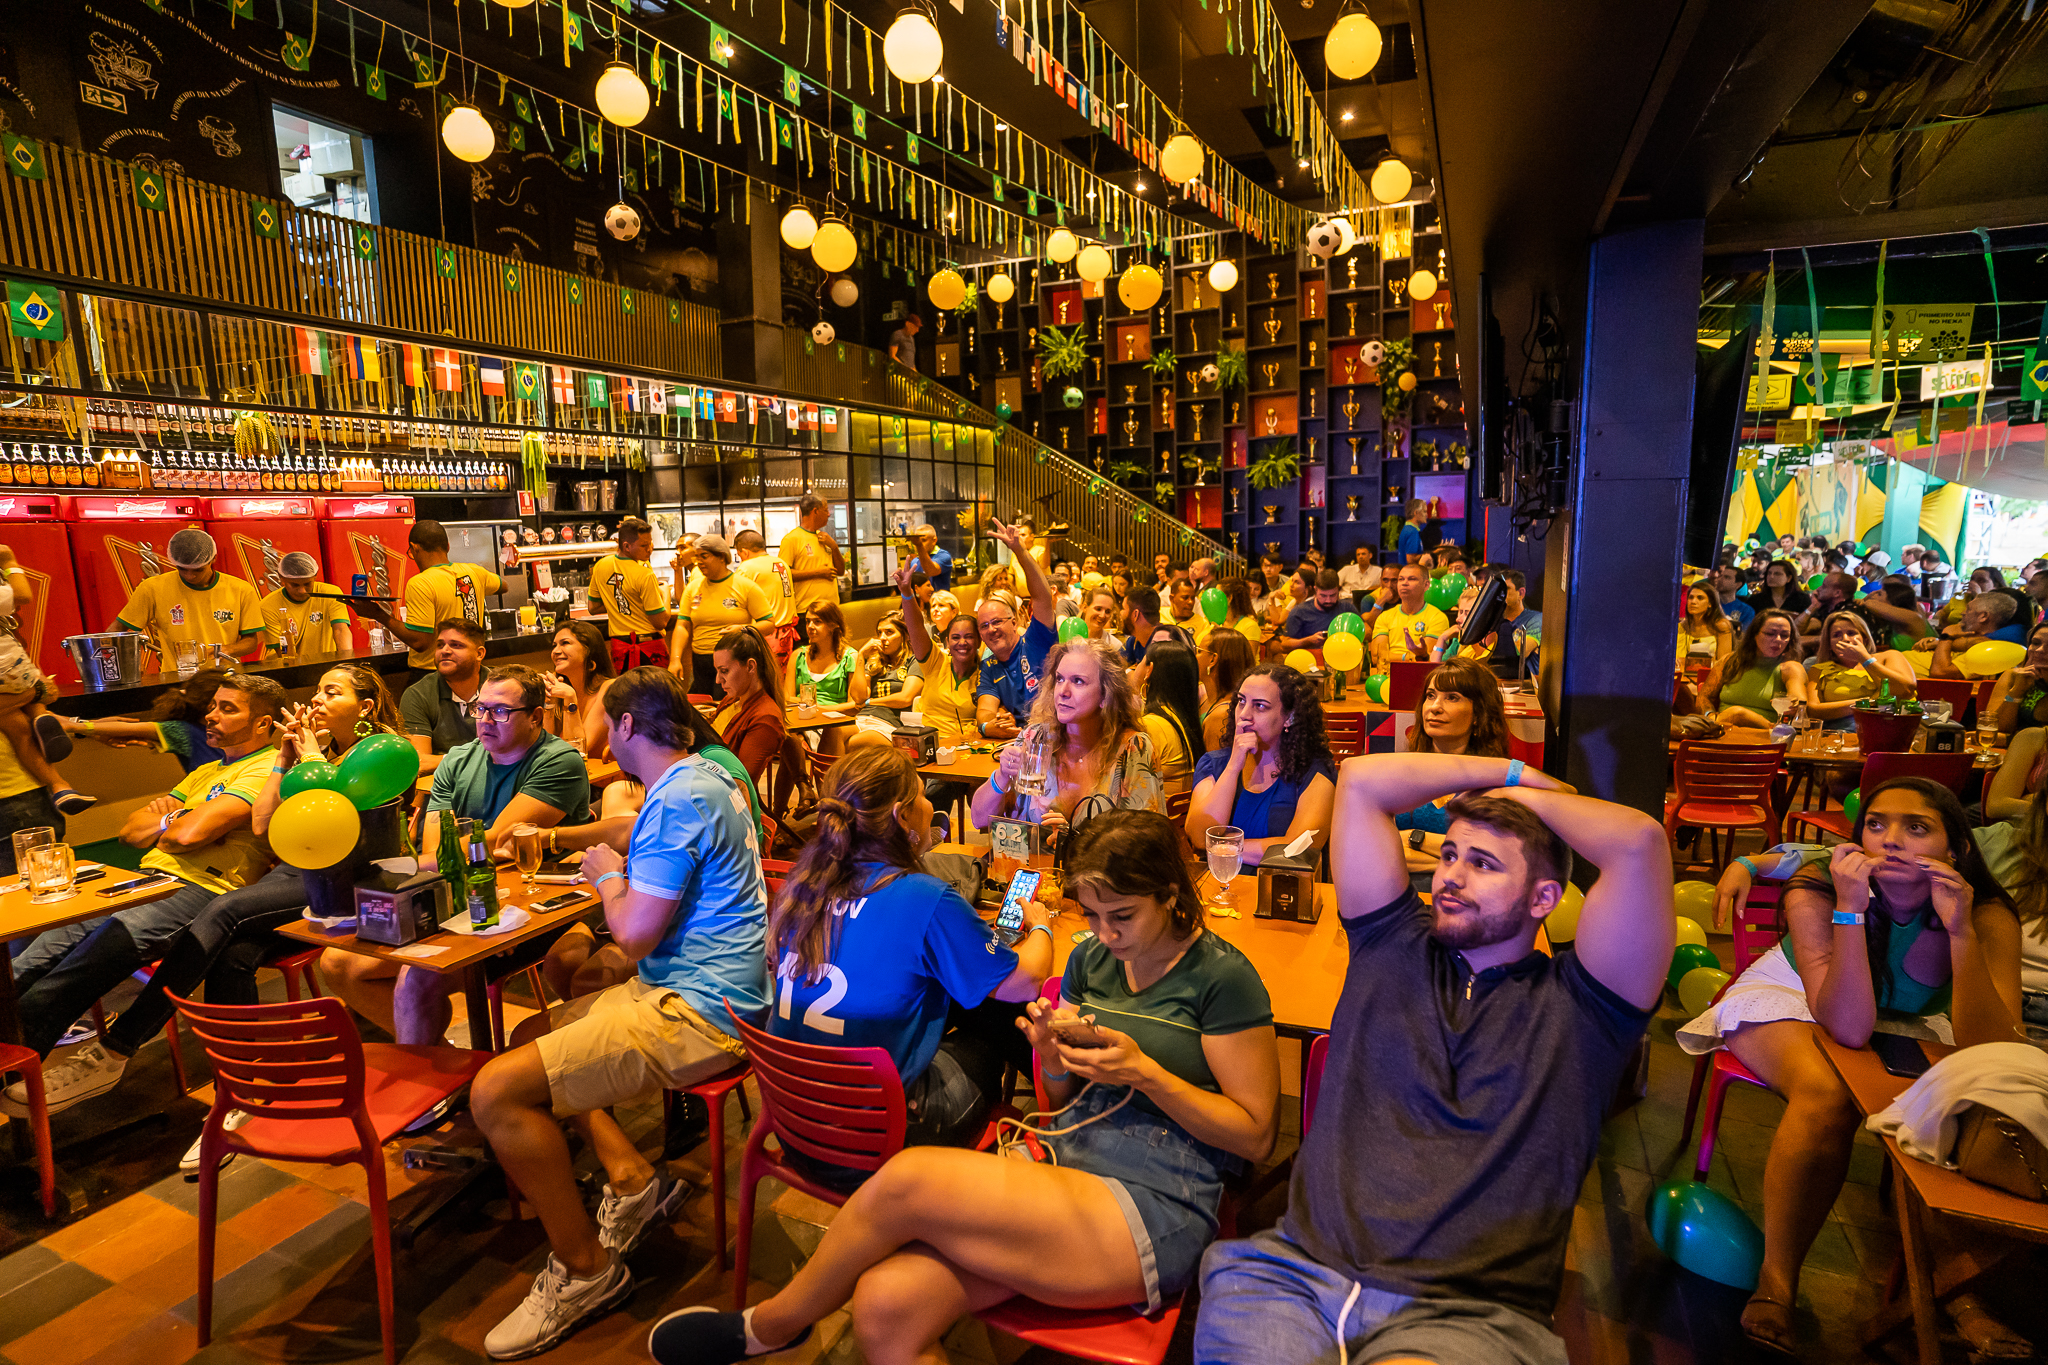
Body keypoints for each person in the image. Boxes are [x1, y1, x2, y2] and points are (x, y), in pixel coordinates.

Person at [646, 809, 1278, 1365]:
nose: (1107, 934)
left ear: (1171, 895)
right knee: (883, 1306)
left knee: (910, 1178)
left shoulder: (1222, 977)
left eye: (1123, 916)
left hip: (1158, 1197)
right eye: (1091, 916)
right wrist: (1051, 1057)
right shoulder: (1089, 958)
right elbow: (1060, 1105)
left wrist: (1146, 1073)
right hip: (1070, 1160)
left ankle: (774, 1324)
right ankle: (779, 1324)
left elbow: (1255, 1138)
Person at [1197, 750, 1669, 1365]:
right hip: (1293, 1276)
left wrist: (1522, 802)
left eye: (1483, 863)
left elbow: (1639, 842)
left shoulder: (1586, 1008)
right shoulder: (1390, 940)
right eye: (1449, 854)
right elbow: (1363, 781)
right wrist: (1508, 774)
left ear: (1543, 897)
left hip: (1467, 1314)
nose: (1451, 874)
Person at [474, 668, 769, 1359]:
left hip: (700, 1013)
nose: (593, 732)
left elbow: (633, 934)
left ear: (628, 725)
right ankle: (633, 1181)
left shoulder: (680, 797)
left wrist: (607, 871)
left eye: (601, 719)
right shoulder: (708, 776)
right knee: (530, 1032)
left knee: (494, 1090)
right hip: (706, 992)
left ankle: (586, 1272)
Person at [1677, 778, 2020, 1355]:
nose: (1890, 841)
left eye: (1917, 828)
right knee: (1826, 1095)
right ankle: (1777, 1281)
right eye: (1877, 824)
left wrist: (1960, 930)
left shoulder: (1985, 913)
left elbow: (1989, 1048)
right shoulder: (1817, 890)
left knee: (1962, 1106)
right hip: (1798, 996)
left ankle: (1953, 1295)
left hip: (1911, 1022)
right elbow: (1850, 1028)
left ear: (1956, 848)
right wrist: (1852, 914)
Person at [7, 668, 403, 1153]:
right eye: (317, 689)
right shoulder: (293, 752)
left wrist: (308, 762)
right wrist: (286, 759)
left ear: (364, 707)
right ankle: (241, 1096)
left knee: (222, 913)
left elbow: (361, 838)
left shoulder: (378, 750)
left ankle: (117, 1047)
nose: (316, 699)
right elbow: (260, 824)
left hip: (347, 877)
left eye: (331, 692)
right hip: (293, 873)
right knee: (231, 952)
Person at [767, 744, 1053, 1189]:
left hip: (796, 1127)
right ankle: (1037, 1151)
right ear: (902, 816)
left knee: (952, 996)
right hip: (878, 1144)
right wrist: (1041, 927)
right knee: (1000, 1016)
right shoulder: (925, 898)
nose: (928, 806)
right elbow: (1026, 980)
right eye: (922, 795)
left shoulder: (803, 888)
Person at [0, 674, 285, 1111]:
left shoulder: (266, 769)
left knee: (76, 970)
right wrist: (179, 822)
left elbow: (191, 835)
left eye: (229, 709)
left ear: (264, 724)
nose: (212, 715)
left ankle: (19, 1070)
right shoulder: (209, 770)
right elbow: (131, 831)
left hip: (201, 890)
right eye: (213, 706)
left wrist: (173, 820)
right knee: (26, 963)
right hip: (145, 881)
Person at [320, 665, 593, 1048]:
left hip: (535, 907)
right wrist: (437, 862)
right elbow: (441, 852)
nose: (484, 720)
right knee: (335, 963)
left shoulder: (558, 760)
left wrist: (400, 867)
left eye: (500, 711)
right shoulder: (458, 759)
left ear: (534, 717)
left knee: (416, 977)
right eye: (480, 709)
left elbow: (503, 839)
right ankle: (442, 1069)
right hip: (463, 898)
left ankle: (441, 1085)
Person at [968, 636, 1163, 839]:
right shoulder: (1037, 738)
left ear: (1106, 696)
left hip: (1098, 870)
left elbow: (1146, 842)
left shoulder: (1133, 749)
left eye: (1078, 681)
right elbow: (979, 819)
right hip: (1034, 869)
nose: (1063, 691)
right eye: (1060, 679)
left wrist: (1075, 839)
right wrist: (1001, 775)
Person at [1185, 663, 1336, 869]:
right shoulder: (1215, 763)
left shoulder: (1314, 770)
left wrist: (1223, 847)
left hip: (1281, 892)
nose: (1244, 715)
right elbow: (1200, 838)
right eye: (1241, 701)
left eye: (1260, 706)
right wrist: (1233, 766)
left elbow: (1298, 850)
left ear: (1289, 717)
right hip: (1221, 890)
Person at [353, 520, 503, 676]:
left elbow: (420, 642)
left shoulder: (421, 583)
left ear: (415, 548)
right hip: (470, 668)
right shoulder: (475, 572)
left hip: (435, 673)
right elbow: (503, 586)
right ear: (448, 546)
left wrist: (378, 614)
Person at [111, 527, 264, 662]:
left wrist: (227, 649)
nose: (190, 576)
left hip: (224, 678)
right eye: (182, 569)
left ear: (213, 559)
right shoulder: (152, 588)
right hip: (175, 679)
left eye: (198, 570)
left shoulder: (241, 589)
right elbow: (117, 629)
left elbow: (251, 641)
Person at [972, 521, 1060, 741]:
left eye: (997, 622)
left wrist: (1020, 551)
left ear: (1013, 622)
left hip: (1060, 736)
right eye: (984, 626)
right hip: (1023, 743)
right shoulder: (990, 666)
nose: (991, 629)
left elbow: (1042, 596)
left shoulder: (1035, 641)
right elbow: (984, 711)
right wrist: (990, 726)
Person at [57, 666, 230, 774]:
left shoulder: (235, 730)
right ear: (210, 707)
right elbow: (132, 728)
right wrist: (77, 726)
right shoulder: (186, 732)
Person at [675, 535, 774, 700]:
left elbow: (769, 623)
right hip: (700, 662)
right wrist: (675, 659)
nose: (698, 561)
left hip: (733, 662)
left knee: (725, 709)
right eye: (697, 557)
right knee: (699, 710)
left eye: (704, 556)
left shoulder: (745, 586)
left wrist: (743, 629)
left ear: (721, 557)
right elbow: (682, 626)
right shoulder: (693, 588)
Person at [894, 563, 979, 745]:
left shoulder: (986, 674)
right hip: (927, 742)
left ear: (979, 641)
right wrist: (907, 594)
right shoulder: (936, 662)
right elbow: (916, 627)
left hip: (967, 746)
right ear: (947, 642)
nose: (962, 643)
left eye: (969, 637)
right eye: (955, 637)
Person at [400, 621, 489, 774]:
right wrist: (472, 757)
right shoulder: (418, 695)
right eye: (440, 645)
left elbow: (522, 749)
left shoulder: (502, 687)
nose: (445, 651)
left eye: (456, 645)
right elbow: (419, 762)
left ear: (479, 654)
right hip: (444, 786)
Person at [589, 516, 674, 672]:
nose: (649, 549)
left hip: (619, 647)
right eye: (644, 545)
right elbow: (660, 622)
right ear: (626, 546)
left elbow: (593, 607)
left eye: (650, 544)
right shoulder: (644, 574)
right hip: (649, 648)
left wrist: (621, 604)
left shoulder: (600, 566)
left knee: (626, 694)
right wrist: (666, 592)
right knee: (655, 695)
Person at [710, 626, 788, 792]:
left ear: (751, 667)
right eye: (717, 671)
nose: (718, 680)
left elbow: (738, 785)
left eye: (724, 671)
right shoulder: (731, 700)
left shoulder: (765, 718)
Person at [1805, 611, 1918, 726]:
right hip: (1841, 729)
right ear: (1829, 644)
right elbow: (1813, 711)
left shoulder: (1889, 656)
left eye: (1851, 633)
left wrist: (1865, 659)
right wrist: (1867, 703)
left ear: (1865, 639)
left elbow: (1906, 689)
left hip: (1891, 724)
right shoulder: (1819, 669)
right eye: (1836, 635)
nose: (1845, 639)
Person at [1702, 610, 1809, 730]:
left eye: (1784, 636)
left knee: (1737, 713)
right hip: (1723, 730)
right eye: (1770, 634)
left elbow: (1799, 699)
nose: (1778, 639)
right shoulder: (1730, 661)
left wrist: (1795, 702)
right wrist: (1709, 715)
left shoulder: (1790, 668)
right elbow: (1704, 697)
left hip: (1766, 733)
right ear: (1755, 634)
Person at [787, 601, 866, 751]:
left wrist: (819, 708)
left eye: (817, 622)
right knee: (789, 738)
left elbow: (854, 705)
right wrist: (813, 710)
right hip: (802, 720)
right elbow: (787, 697)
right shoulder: (798, 655)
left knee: (821, 735)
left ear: (833, 625)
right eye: (808, 621)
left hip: (836, 721)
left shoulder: (850, 657)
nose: (810, 627)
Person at [1135, 641, 1203, 796]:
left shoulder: (1151, 725)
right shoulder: (1181, 717)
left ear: (1149, 670)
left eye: (1141, 662)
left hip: (1155, 817)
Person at [543, 620, 616, 759]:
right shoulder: (559, 686)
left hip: (603, 777)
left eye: (565, 643)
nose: (555, 651)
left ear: (590, 651)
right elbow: (544, 746)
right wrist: (549, 702)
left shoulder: (609, 689)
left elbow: (578, 751)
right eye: (554, 645)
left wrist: (570, 699)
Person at [257, 549, 353, 656]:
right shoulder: (267, 605)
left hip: (325, 664)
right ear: (281, 578)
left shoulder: (331, 593)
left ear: (315, 577)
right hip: (286, 666)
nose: (302, 590)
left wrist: (347, 661)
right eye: (295, 585)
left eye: (307, 584)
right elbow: (283, 651)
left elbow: (340, 630)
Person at [732, 528, 797, 669]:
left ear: (745, 552)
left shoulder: (747, 567)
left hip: (765, 634)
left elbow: (737, 602)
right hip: (786, 633)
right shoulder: (781, 563)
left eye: (739, 555)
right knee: (781, 679)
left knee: (766, 680)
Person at [779, 493, 845, 629]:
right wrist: (818, 573)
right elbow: (783, 576)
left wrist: (834, 547)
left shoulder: (824, 538)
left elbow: (840, 571)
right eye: (826, 510)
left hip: (831, 610)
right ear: (815, 511)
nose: (829, 514)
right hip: (807, 612)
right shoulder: (792, 539)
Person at [1928, 589, 2025, 678]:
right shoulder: (1967, 638)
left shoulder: (1988, 652)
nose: (1962, 612)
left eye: (1968, 609)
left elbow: (1939, 672)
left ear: (1983, 616)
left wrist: (1946, 636)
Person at [853, 611, 924, 733]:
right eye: (879, 633)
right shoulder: (875, 663)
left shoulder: (914, 660)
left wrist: (870, 702)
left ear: (905, 635)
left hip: (889, 724)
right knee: (833, 732)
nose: (882, 638)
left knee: (854, 741)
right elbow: (859, 698)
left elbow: (905, 698)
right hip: (862, 718)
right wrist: (861, 655)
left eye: (889, 632)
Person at [1370, 564, 1449, 669]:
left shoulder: (1438, 617)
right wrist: (1408, 657)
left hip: (1421, 675)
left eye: (1412, 579)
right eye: (1401, 579)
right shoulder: (1384, 617)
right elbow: (1378, 658)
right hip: (1388, 676)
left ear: (1426, 585)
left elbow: (1429, 658)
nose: (1404, 583)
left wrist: (1394, 657)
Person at [1199, 629, 1258, 754]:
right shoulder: (1206, 699)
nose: (1194, 657)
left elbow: (1214, 769)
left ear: (1212, 660)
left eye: (1199, 651)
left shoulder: (1221, 715)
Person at [1986, 622, 2048, 738]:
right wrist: (2016, 691)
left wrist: (2007, 741)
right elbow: (1992, 729)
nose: (2039, 650)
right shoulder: (2012, 676)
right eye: (2035, 643)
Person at [1279, 570, 1349, 655]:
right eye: (1323, 596)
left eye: (1332, 595)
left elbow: (1366, 630)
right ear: (1315, 590)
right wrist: (1308, 640)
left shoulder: (1346, 608)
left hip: (1342, 656)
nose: (1328, 600)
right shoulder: (1298, 611)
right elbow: (1284, 646)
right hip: (1309, 660)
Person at [1679, 582, 1734, 668]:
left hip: (1709, 675)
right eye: (1691, 597)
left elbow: (1723, 663)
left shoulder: (1721, 626)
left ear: (1710, 604)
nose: (1693, 601)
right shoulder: (1681, 627)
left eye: (1700, 598)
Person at [1121, 587, 1163, 666]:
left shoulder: (1164, 647)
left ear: (1135, 615)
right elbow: (1114, 668)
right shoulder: (1133, 641)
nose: (1121, 613)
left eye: (1123, 609)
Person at [904, 522, 952, 592]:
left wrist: (919, 545)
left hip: (938, 601)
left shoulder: (944, 556)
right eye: (917, 541)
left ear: (934, 540)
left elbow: (930, 571)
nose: (919, 543)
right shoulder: (915, 561)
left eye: (923, 540)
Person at [1219, 577, 1263, 648]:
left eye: (1218, 595)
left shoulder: (1250, 626)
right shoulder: (1216, 623)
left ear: (1229, 598)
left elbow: (1248, 657)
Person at [1711, 564, 1755, 632]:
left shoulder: (1746, 610)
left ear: (1738, 584)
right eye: (1720, 576)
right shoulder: (1708, 603)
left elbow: (1742, 636)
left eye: (1727, 577)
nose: (1720, 579)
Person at [1395, 498, 1429, 564]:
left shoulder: (1407, 528)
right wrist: (1431, 555)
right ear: (1416, 513)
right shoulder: (1413, 531)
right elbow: (1410, 559)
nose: (1426, 515)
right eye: (1424, 511)